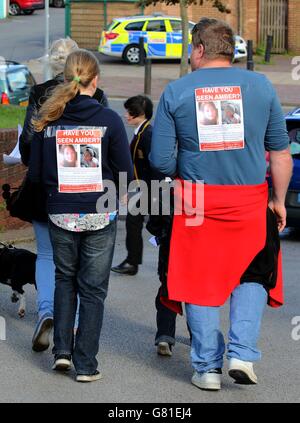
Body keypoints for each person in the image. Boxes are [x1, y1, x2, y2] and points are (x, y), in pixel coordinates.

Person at [150, 17, 293, 391]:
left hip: (196, 199)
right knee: (252, 273)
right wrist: (278, 200)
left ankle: (207, 367)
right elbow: (280, 152)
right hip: (249, 198)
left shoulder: (176, 92)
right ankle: (242, 354)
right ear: (230, 51)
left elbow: (161, 162)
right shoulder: (261, 85)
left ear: (198, 49)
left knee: (199, 281)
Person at [28, 49, 133, 382]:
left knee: (64, 280)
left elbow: (37, 174)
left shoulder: (50, 118)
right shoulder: (110, 119)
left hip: (60, 213)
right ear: (96, 79)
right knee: (93, 290)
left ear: (65, 77)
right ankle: (86, 365)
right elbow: (126, 174)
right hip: (99, 214)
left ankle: (62, 352)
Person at [19, 38, 109, 353]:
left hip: (45, 187)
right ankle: (72, 323)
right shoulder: (97, 96)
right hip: (85, 191)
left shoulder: (40, 93)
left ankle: (46, 311)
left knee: (46, 255)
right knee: (83, 262)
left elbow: (28, 141)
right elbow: (106, 144)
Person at [111, 95, 153, 275]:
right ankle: (132, 261)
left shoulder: (147, 135)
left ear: (139, 114)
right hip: (145, 187)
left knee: (140, 223)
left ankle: (132, 262)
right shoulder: (142, 132)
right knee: (134, 222)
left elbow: (153, 165)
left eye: (129, 112)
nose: (125, 115)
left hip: (151, 187)